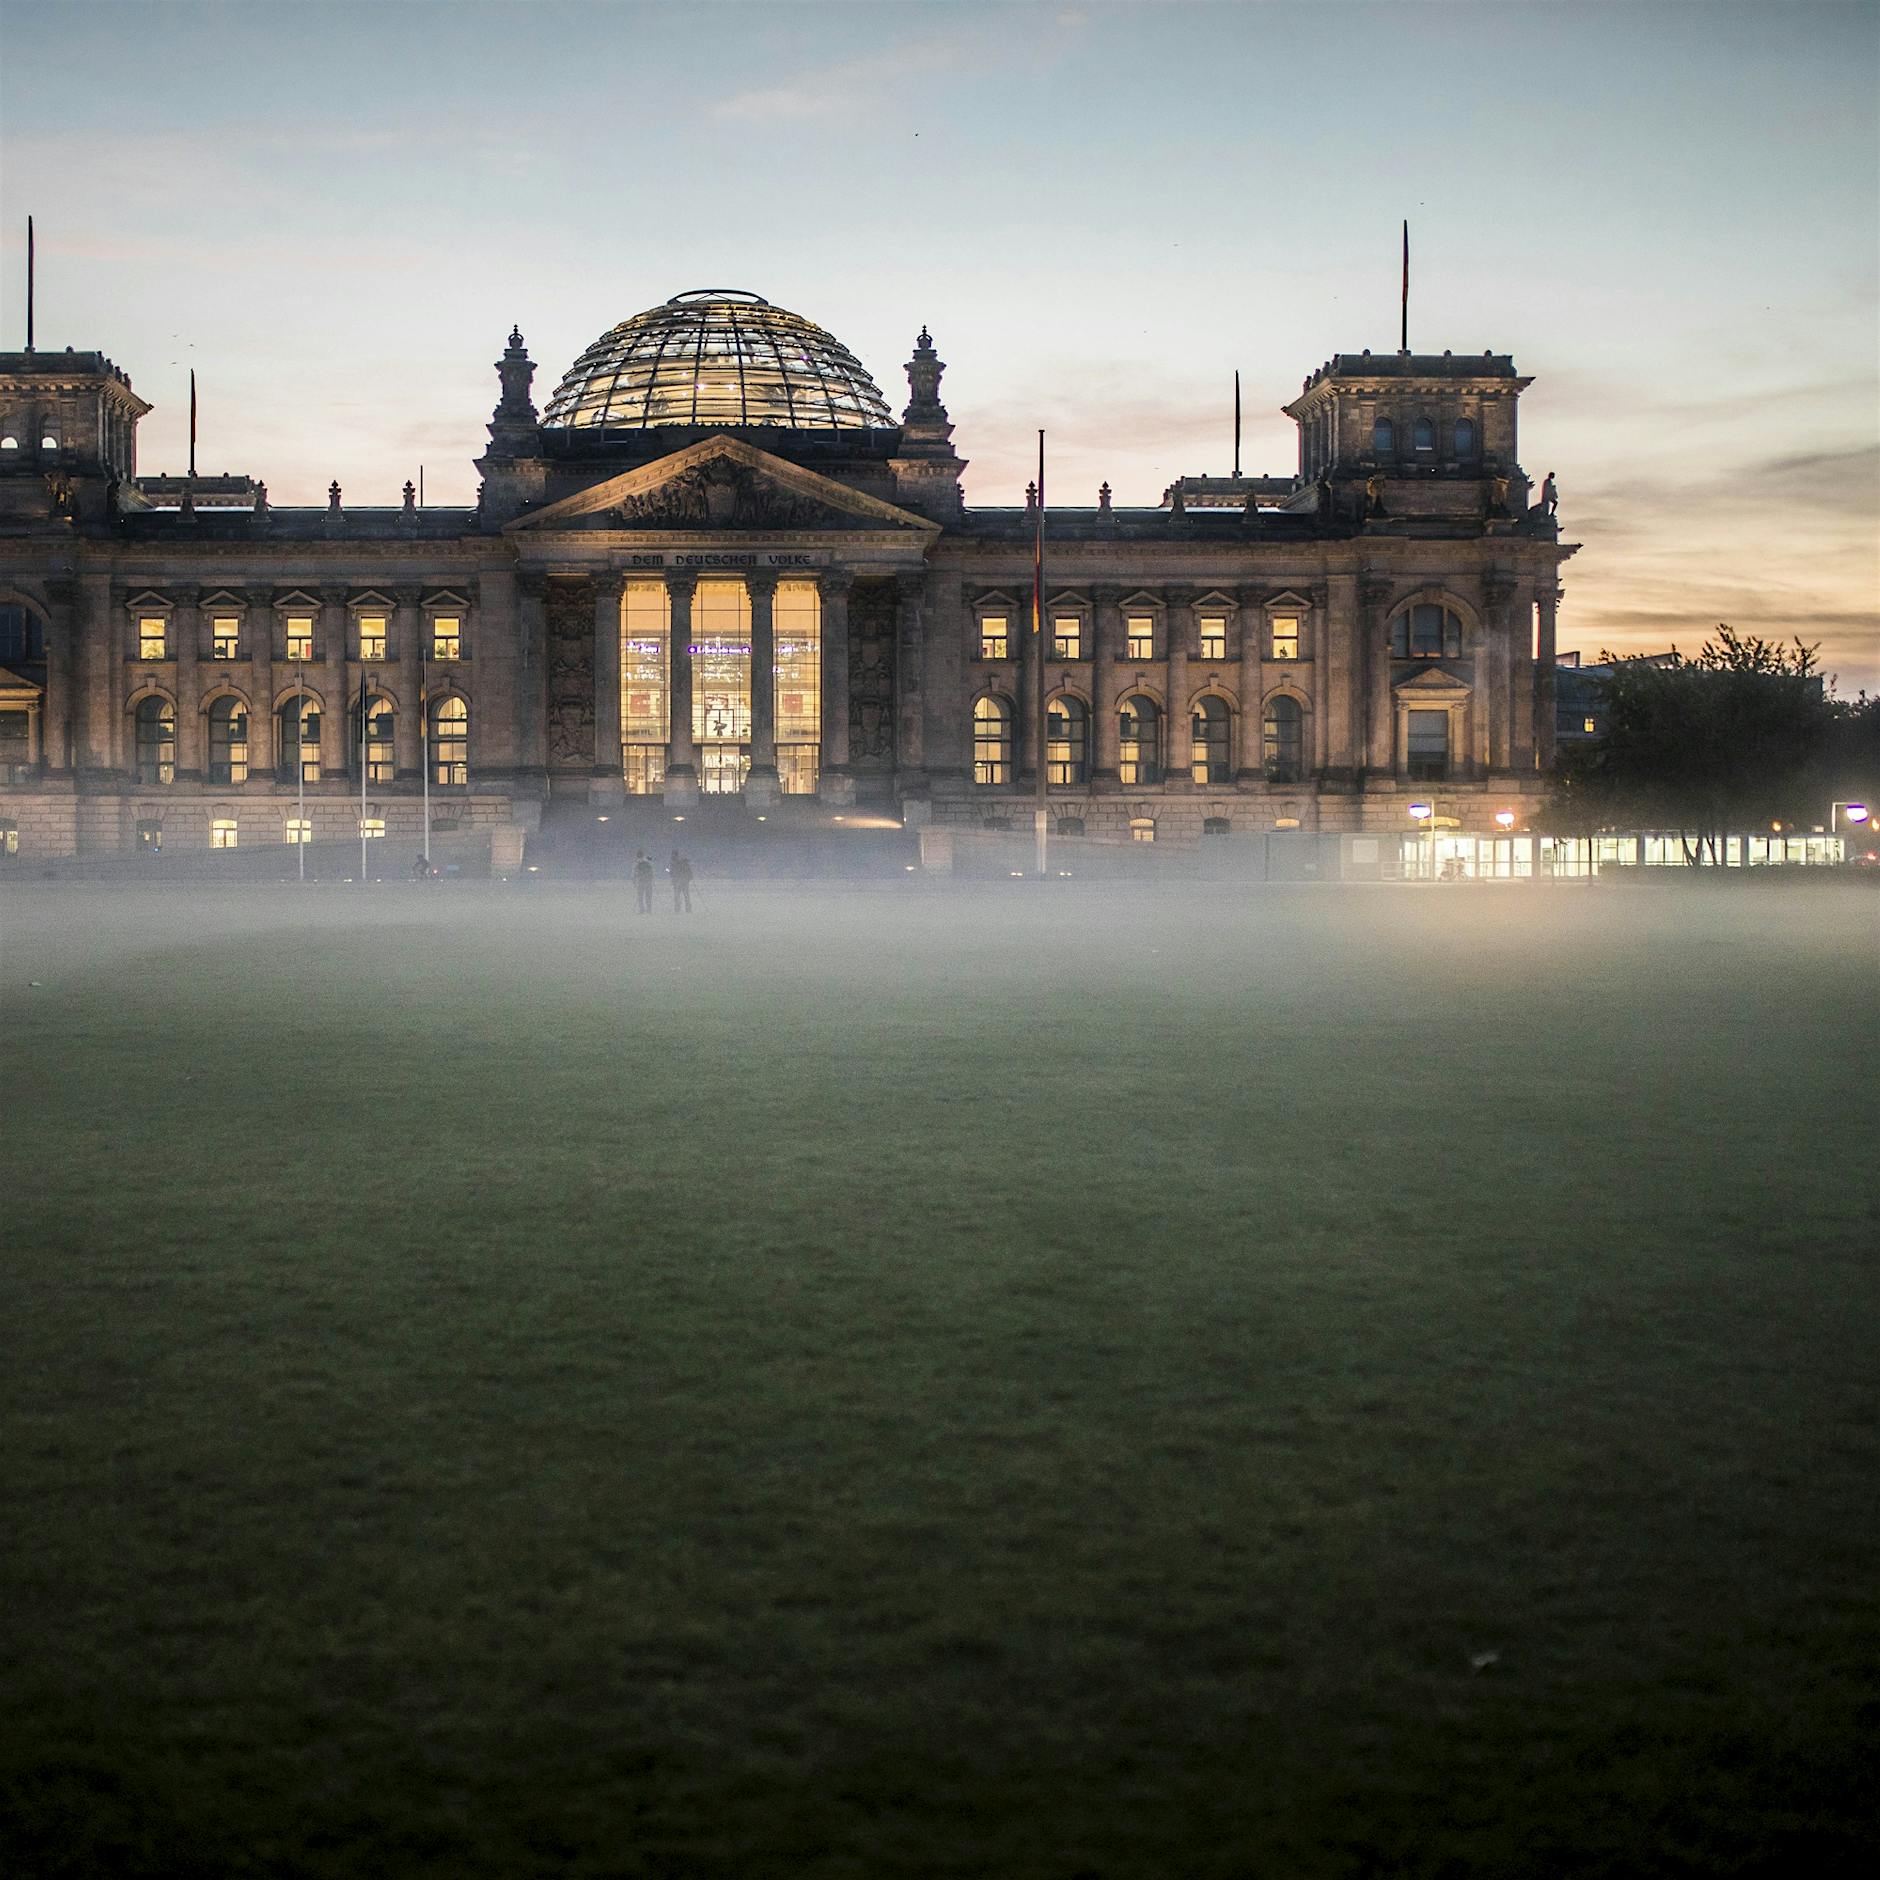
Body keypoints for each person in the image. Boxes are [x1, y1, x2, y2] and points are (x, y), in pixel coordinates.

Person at [669, 849, 693, 914]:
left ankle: (677, 909)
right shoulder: (683, 862)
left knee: (677, 896)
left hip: (677, 882)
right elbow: (689, 873)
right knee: (686, 896)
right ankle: (688, 909)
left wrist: (667, 870)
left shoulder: (673, 863)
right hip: (685, 882)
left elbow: (671, 873)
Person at [632, 849, 655, 914]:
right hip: (648, 882)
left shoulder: (637, 863)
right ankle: (649, 910)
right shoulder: (648, 862)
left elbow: (635, 873)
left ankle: (642, 910)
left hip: (641, 882)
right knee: (648, 897)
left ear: (637, 855)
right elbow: (652, 872)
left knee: (640, 897)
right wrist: (652, 880)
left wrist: (634, 881)